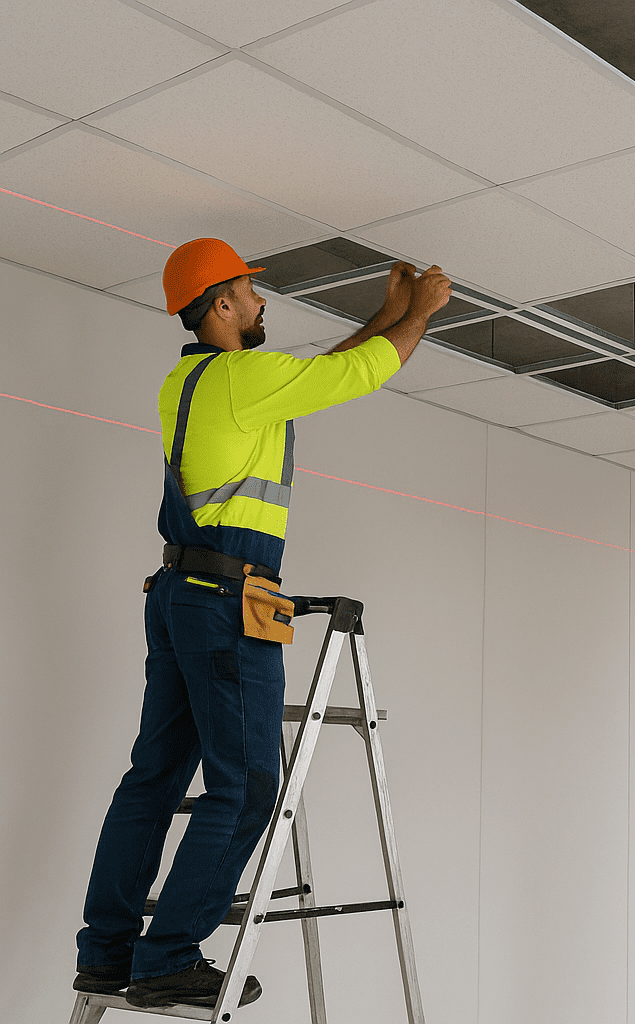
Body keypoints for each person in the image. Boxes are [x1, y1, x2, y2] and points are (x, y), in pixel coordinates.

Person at [73, 238, 450, 1009]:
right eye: (249, 291)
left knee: (152, 780)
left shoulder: (193, 380)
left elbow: (314, 379)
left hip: (179, 591)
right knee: (245, 788)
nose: (260, 302)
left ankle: (108, 953)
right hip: (225, 601)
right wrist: (422, 317)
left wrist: (386, 312)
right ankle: (168, 956)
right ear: (222, 306)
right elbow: (359, 375)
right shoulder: (243, 378)